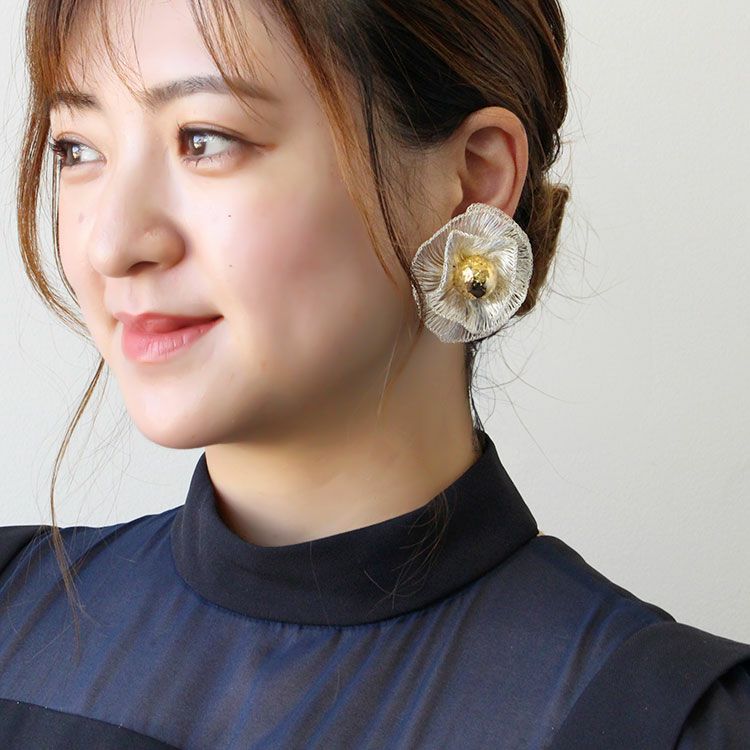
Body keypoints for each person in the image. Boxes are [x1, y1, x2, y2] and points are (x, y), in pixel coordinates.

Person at [0, 0, 747, 747]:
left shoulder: (665, 722)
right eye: (76, 149)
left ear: (473, 180)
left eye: (206, 139)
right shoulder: (11, 606)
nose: (112, 244)